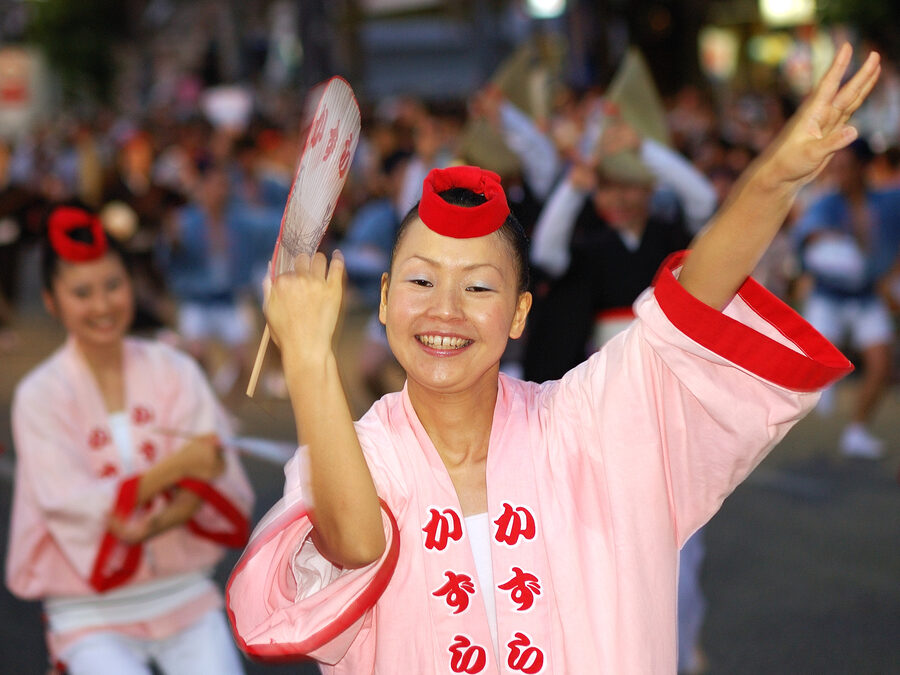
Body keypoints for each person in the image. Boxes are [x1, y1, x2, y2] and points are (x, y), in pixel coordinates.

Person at [227, 45, 878, 673]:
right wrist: (309, 360)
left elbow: (691, 306)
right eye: (421, 282)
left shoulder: (585, 426)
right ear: (386, 301)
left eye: (479, 286)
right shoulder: (347, 456)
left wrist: (776, 176)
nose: (446, 310)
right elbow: (355, 542)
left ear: (517, 314)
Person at [5, 205, 255, 674]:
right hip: (88, 609)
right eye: (82, 293)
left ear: (132, 284)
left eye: (113, 285)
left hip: (185, 592)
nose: (102, 305)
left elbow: (211, 466)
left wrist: (159, 518)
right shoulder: (40, 394)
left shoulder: (173, 367)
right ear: (52, 302)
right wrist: (176, 467)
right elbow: (71, 501)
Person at [792, 137, 900, 459]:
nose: (839, 172)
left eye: (845, 165)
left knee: (881, 362)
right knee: (817, 365)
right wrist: (827, 241)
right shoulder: (825, 204)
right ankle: (825, 384)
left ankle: (857, 430)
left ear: (864, 167)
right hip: (829, 297)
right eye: (835, 166)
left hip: (867, 296)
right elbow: (808, 237)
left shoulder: (889, 202)